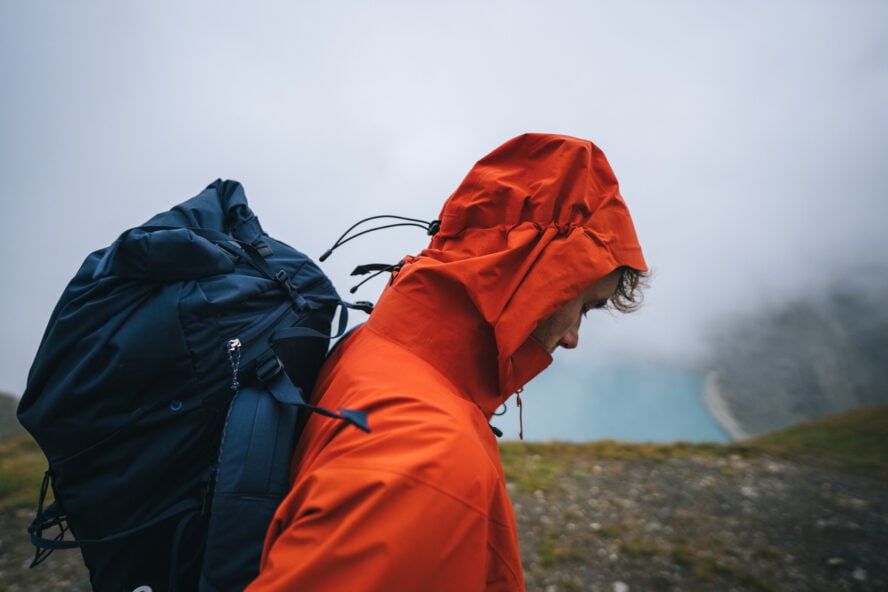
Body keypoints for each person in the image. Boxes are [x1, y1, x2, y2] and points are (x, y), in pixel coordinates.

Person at [245, 133, 648, 591]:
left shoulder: (379, 345)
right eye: (584, 305)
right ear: (540, 280)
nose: (574, 337)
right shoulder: (430, 458)